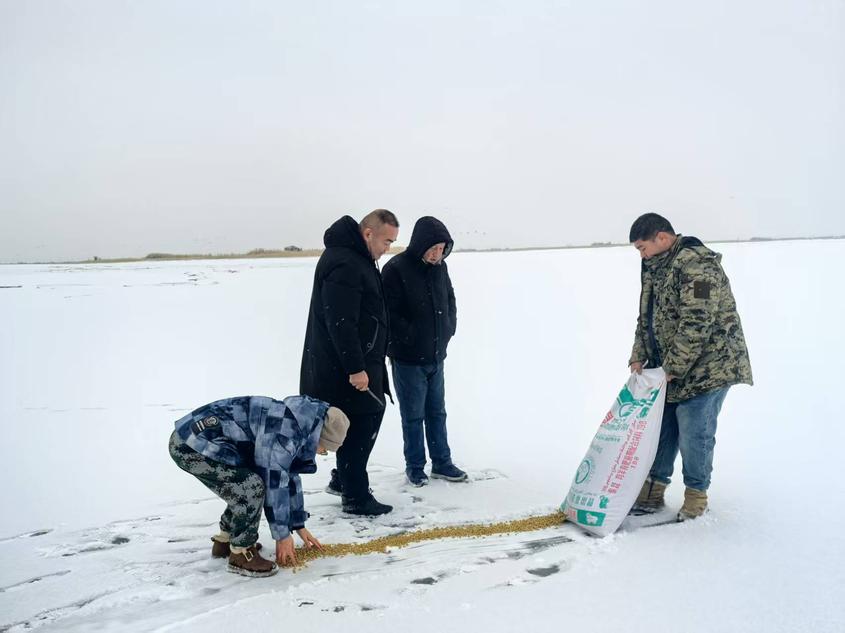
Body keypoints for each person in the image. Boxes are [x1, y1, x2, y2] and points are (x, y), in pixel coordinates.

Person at [628, 213, 752, 521]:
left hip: (709, 367)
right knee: (663, 427)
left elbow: (698, 320)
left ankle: (696, 495)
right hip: (669, 367)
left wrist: (674, 366)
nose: (641, 255)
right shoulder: (654, 267)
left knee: (694, 431)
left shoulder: (698, 265)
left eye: (643, 247)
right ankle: (653, 488)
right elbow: (648, 317)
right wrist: (638, 354)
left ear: (663, 238)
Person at [168, 395, 350, 577]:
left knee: (245, 483)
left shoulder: (298, 422)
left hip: (199, 439)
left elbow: (288, 475)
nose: (321, 453)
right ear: (317, 436)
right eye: (324, 448)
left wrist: (297, 524)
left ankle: (225, 541)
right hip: (191, 445)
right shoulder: (284, 432)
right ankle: (240, 554)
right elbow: (274, 482)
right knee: (250, 487)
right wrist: (282, 536)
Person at [300, 210, 399, 516]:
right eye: (386, 241)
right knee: (366, 419)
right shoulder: (346, 262)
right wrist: (356, 368)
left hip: (355, 362)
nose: (388, 248)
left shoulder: (356, 258)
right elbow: (341, 322)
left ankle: (344, 480)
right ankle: (355, 495)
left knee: (361, 420)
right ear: (368, 233)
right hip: (344, 367)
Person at [382, 216, 466, 486]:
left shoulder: (441, 268)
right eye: (433, 248)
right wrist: (411, 337)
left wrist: (448, 328)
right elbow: (389, 314)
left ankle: (442, 462)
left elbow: (450, 299)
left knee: (437, 413)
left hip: (435, 356)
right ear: (420, 244)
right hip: (407, 360)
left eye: (442, 248)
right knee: (413, 416)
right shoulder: (396, 269)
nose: (437, 254)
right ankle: (415, 466)